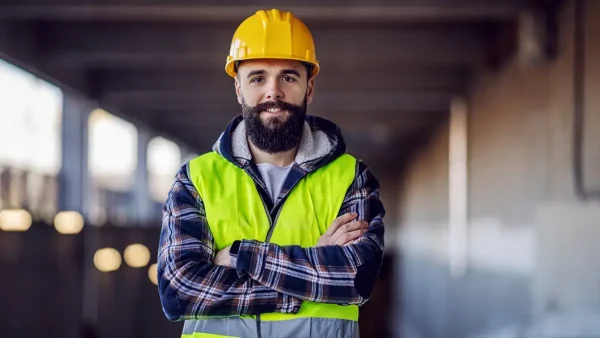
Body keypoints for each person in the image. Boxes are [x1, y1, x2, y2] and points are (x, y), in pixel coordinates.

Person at [156, 8, 386, 338]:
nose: (273, 92)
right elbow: (179, 294)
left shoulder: (352, 178)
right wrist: (310, 273)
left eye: (288, 77)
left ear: (309, 88)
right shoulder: (196, 179)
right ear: (239, 88)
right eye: (258, 77)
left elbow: (355, 280)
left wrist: (239, 255)